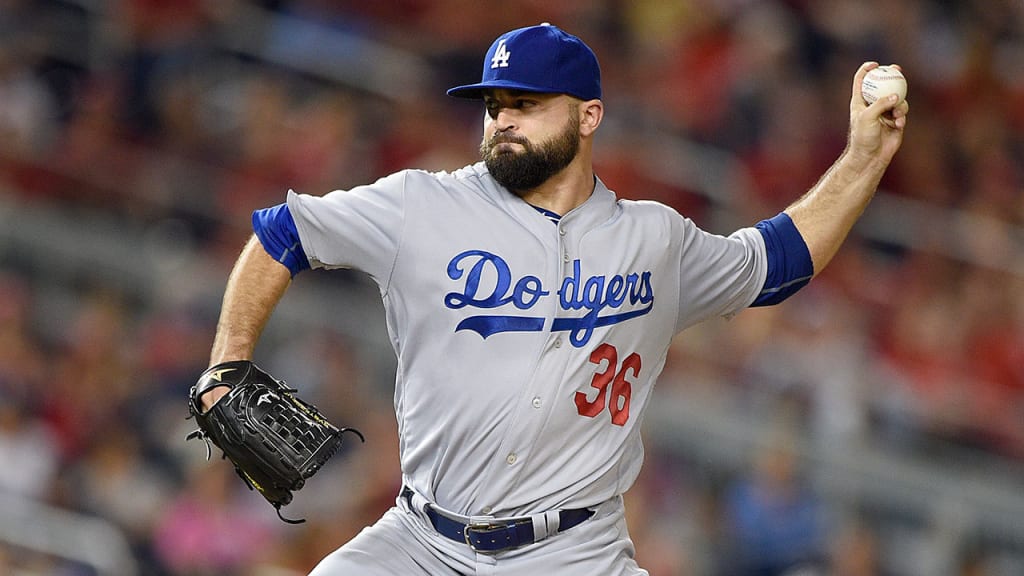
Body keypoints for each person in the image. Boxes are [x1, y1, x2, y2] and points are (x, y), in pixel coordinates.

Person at [197, 23, 908, 575]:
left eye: (526, 105)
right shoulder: (421, 205)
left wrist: (864, 155)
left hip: (573, 550)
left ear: (588, 116)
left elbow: (779, 261)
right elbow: (282, 233)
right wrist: (228, 360)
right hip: (421, 541)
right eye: (493, 105)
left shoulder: (654, 241)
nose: (502, 120)